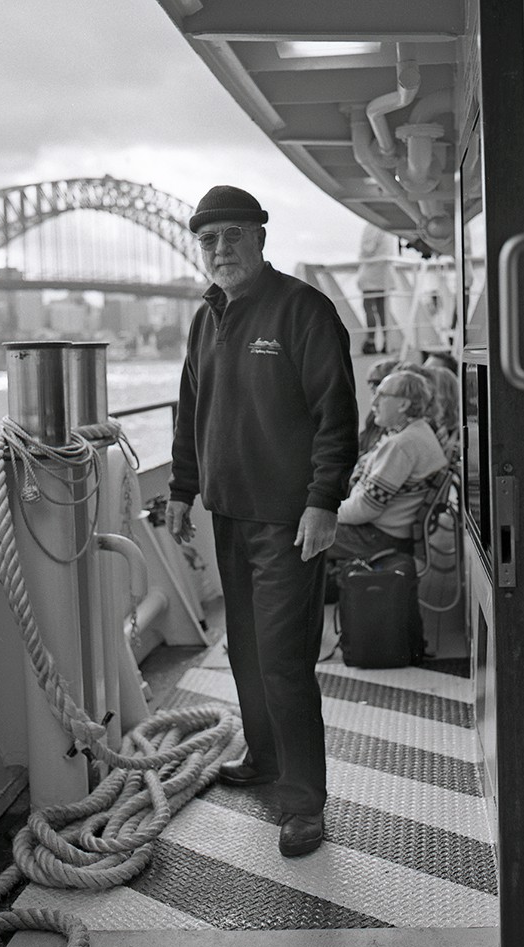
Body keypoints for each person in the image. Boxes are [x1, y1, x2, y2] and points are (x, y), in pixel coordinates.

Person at [165, 185, 359, 858]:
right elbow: (190, 408)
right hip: (229, 513)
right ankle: (267, 758)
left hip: (287, 520)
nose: (221, 250)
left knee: (284, 660)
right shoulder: (206, 317)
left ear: (260, 238)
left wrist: (322, 501)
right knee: (245, 651)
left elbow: (337, 413)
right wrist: (182, 488)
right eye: (209, 240)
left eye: (233, 236)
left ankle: (305, 803)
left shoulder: (302, 310)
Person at [328, 371, 447, 563]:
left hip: (379, 538)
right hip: (387, 533)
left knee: (295, 534)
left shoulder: (402, 445)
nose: (373, 402)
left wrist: (324, 511)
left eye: (382, 395)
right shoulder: (419, 430)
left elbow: (365, 509)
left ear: (403, 404)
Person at [356, 223, 395, 354]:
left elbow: (367, 248)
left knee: (369, 307)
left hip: (372, 272)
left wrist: (361, 255)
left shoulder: (372, 226)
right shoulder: (387, 228)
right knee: (382, 309)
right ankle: (386, 341)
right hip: (384, 272)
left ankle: (371, 342)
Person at [359, 357, 400, 455]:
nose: (371, 386)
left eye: (376, 382)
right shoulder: (374, 414)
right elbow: (363, 441)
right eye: (369, 382)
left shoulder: (395, 416)